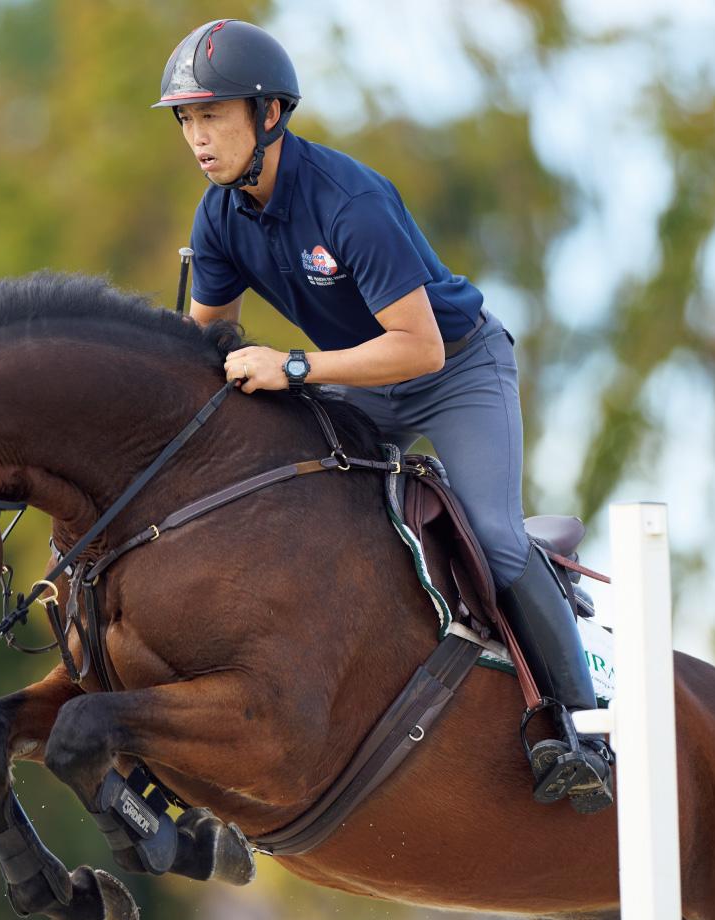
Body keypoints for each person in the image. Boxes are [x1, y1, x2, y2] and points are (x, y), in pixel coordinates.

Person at [152, 19, 612, 813]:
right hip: (363, 376)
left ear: (269, 116)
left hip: (454, 367)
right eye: (187, 119)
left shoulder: (349, 201)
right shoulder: (218, 217)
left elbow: (419, 349)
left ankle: (578, 731)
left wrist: (293, 367)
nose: (198, 137)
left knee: (495, 537)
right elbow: (205, 346)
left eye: (213, 115)